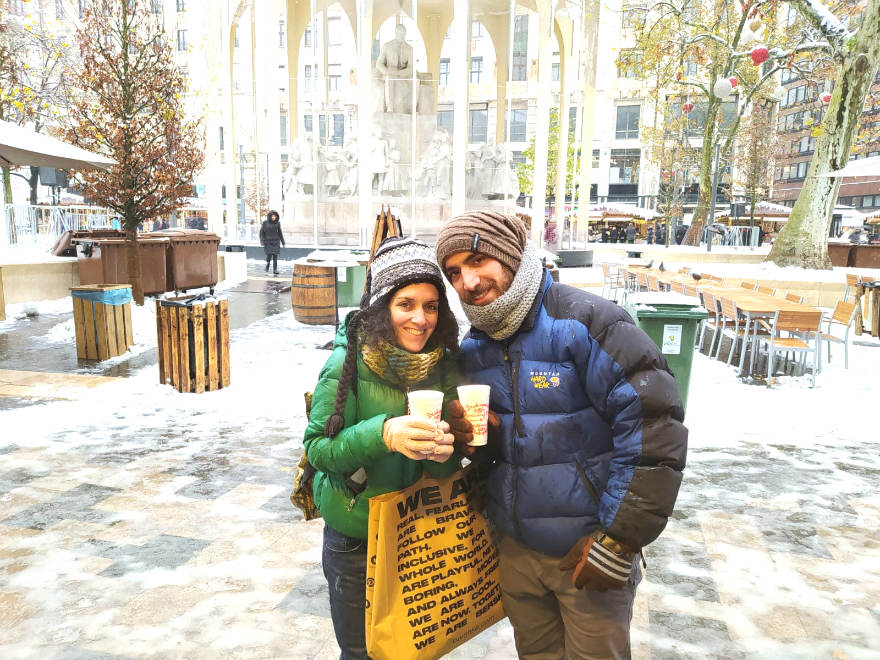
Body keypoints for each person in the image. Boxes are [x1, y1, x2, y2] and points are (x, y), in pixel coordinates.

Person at [436, 211, 687, 660]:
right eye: (453, 272)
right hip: (517, 553)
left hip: (587, 554)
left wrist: (619, 539)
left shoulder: (588, 323)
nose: (467, 282)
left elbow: (654, 428)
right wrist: (473, 439)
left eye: (476, 261)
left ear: (510, 256)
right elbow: (505, 446)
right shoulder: (475, 346)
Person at [304, 236, 461, 660]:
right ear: (381, 308)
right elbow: (318, 449)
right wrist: (384, 434)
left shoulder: (442, 362)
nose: (420, 319)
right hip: (357, 538)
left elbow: (446, 465)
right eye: (405, 304)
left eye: (431, 306)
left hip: (417, 534)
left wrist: (445, 453)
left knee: (414, 651)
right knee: (362, 652)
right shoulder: (347, 361)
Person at [260, 210, 285, 275]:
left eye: (275, 216)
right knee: (269, 254)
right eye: (272, 216)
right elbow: (262, 232)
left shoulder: (277, 223)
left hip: (276, 241)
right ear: (269, 216)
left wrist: (283, 242)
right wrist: (262, 240)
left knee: (275, 256)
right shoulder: (265, 223)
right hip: (268, 241)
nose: (273, 217)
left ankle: (275, 270)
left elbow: (280, 233)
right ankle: (267, 265)